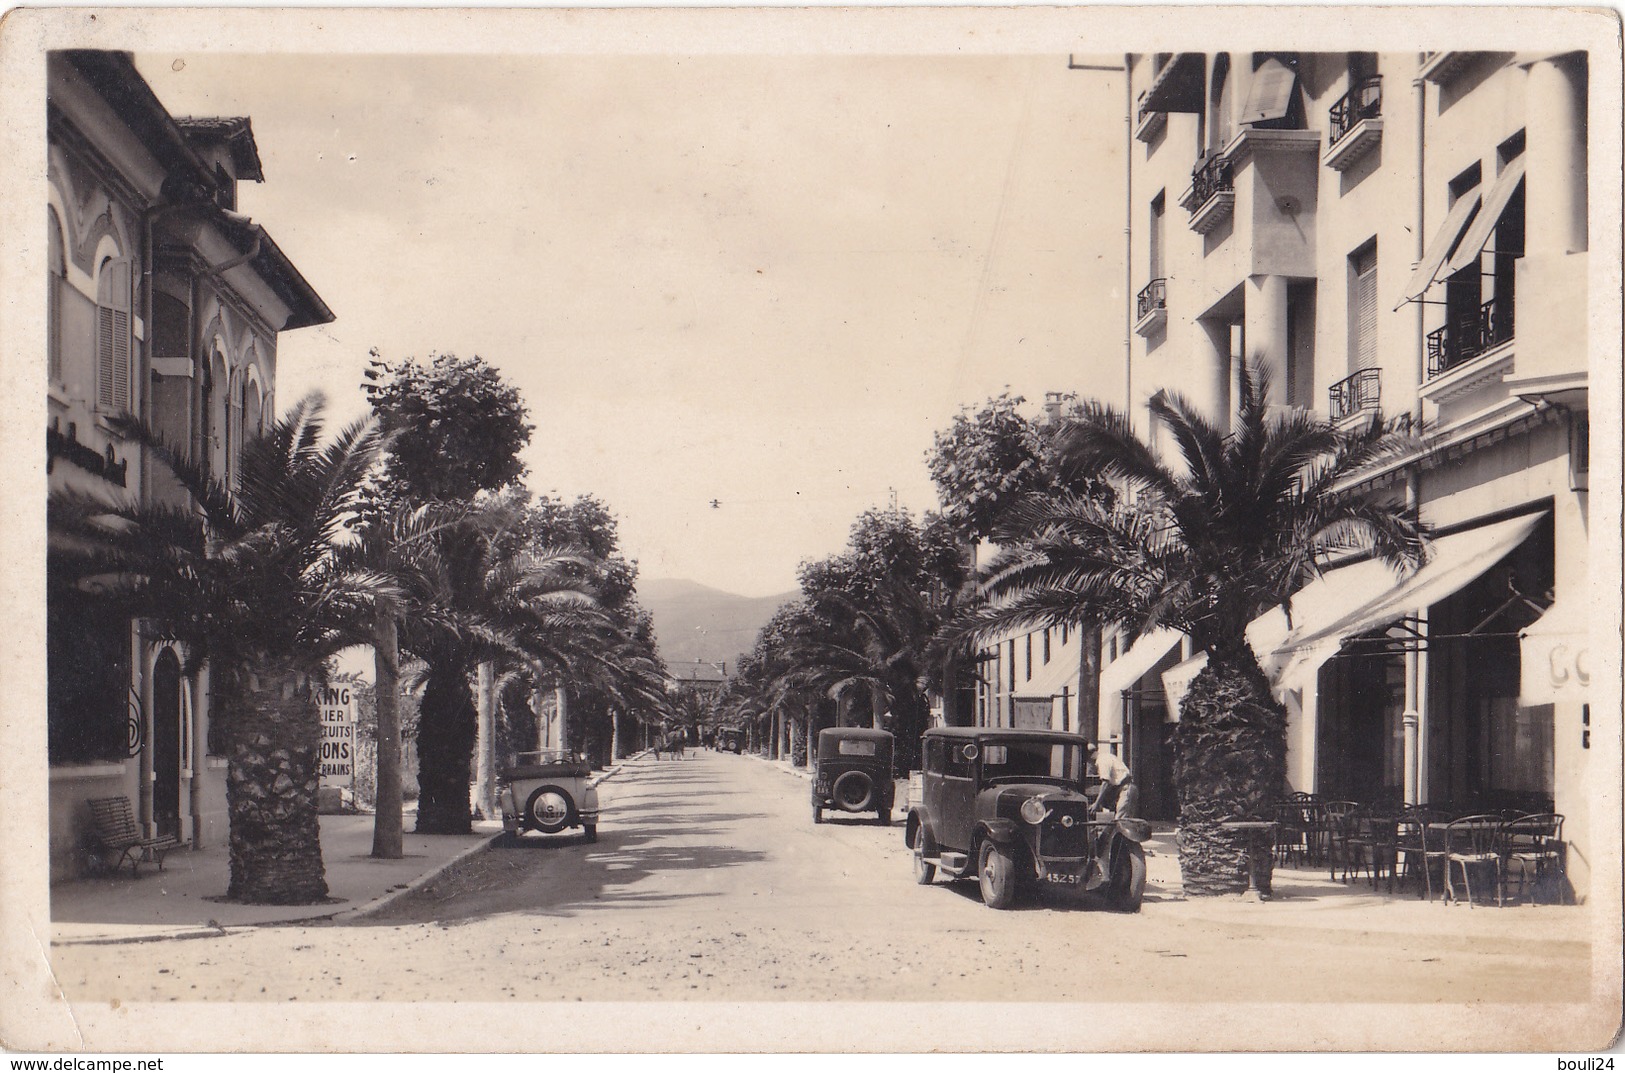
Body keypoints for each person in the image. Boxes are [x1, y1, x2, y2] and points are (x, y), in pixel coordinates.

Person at [1092, 743, 1137, 819]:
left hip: (1125, 789)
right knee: (1117, 821)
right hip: (1121, 789)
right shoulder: (1107, 756)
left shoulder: (1102, 761)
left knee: (1121, 820)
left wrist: (1096, 803)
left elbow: (1105, 783)